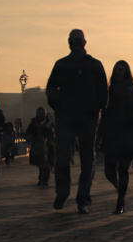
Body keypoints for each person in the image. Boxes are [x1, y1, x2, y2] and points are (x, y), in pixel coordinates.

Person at [46, 29, 108, 213]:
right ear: (84, 43)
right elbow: (104, 92)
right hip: (87, 118)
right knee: (87, 159)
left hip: (66, 117)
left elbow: (50, 89)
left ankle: (62, 194)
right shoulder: (95, 65)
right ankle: (83, 199)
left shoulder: (61, 64)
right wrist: (96, 107)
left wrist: (58, 105)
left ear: (69, 43)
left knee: (64, 158)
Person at [100, 61, 133, 213]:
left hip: (128, 134)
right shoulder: (108, 91)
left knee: (123, 169)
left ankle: (120, 201)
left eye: (121, 69)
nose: (118, 71)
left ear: (126, 72)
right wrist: (99, 136)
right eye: (116, 69)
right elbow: (103, 116)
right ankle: (120, 190)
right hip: (111, 134)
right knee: (109, 170)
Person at [25, 107, 54, 185]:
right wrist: (31, 137)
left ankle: (45, 179)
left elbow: (52, 134)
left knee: (46, 163)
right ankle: (41, 177)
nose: (41, 115)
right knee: (40, 163)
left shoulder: (48, 123)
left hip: (46, 145)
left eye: (42, 113)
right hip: (37, 145)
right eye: (39, 113)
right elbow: (28, 133)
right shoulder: (33, 123)